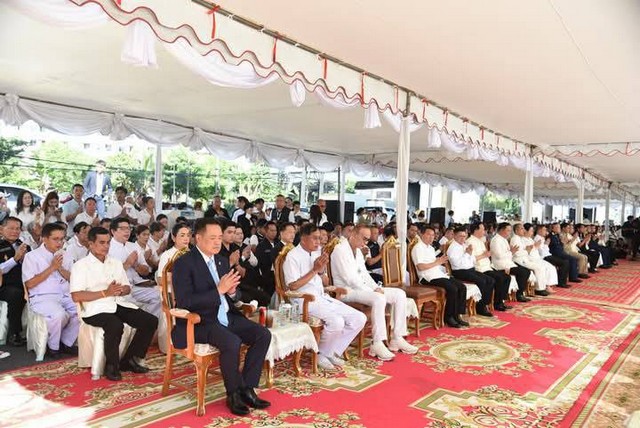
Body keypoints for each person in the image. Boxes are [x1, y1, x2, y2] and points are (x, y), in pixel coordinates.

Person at [172, 218, 272, 415]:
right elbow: (184, 301)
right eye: (212, 238)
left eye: (220, 237)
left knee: (263, 334)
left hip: (226, 315)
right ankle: (233, 394)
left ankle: (247, 388)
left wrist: (233, 293)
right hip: (200, 321)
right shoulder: (184, 263)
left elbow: (234, 295)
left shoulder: (221, 260)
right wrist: (218, 290)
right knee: (232, 342)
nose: (218, 242)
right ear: (198, 238)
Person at [70, 227, 158, 381]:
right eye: (101, 243)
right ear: (91, 244)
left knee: (150, 320)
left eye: (108, 242)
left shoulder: (115, 263)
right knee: (115, 325)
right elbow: (76, 295)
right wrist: (105, 293)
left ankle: (130, 359)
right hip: (93, 308)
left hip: (117, 302)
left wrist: (122, 290)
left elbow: (127, 288)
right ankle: (111, 365)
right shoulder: (81, 265)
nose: (106, 246)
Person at [284, 223, 366, 370]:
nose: (319, 242)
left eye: (320, 238)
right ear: (303, 239)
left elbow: (325, 281)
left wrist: (321, 271)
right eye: (315, 238)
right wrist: (315, 270)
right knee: (337, 321)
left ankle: (332, 351)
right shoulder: (292, 257)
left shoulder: (317, 252)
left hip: (322, 297)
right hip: (303, 300)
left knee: (359, 318)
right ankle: (322, 354)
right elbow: (293, 286)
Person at [331, 224, 418, 360]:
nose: (365, 243)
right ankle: (377, 343)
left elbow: (365, 274)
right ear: (353, 235)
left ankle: (397, 337)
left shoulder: (359, 252)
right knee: (378, 298)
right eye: (363, 239)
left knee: (399, 294)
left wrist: (375, 288)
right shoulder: (339, 250)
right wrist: (373, 291)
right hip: (346, 291)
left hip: (363, 290)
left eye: (367, 239)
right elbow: (350, 279)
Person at [22, 223, 79, 358]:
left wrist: (60, 269)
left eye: (62, 239)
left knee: (83, 310)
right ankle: (53, 347)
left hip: (65, 294)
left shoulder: (67, 255)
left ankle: (66, 341)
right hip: (42, 297)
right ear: (44, 238)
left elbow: (74, 279)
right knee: (59, 315)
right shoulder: (32, 256)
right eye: (55, 239)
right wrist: (52, 267)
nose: (60, 243)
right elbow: (30, 283)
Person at [412, 224, 468, 327]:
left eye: (433, 235)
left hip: (437, 274)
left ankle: (457, 315)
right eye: (428, 235)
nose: (431, 237)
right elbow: (420, 267)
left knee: (461, 287)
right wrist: (437, 262)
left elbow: (435, 263)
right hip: (427, 277)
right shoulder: (417, 248)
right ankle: (448, 317)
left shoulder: (431, 248)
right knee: (452, 289)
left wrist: (440, 261)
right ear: (421, 234)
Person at [108, 218, 162, 320]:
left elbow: (146, 271)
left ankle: (150, 323)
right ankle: (144, 322)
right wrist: (127, 263)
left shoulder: (133, 246)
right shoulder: (107, 248)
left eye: (128, 228)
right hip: (119, 289)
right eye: (123, 228)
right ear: (113, 231)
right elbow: (108, 275)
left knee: (160, 296)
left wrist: (136, 266)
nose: (127, 231)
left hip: (136, 286)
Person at [447, 227, 494, 317]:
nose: (463, 238)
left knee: (490, 280)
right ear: (454, 236)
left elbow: (472, 260)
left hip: (470, 269)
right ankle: (480, 307)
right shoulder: (452, 248)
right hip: (460, 272)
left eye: (464, 236)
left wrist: (469, 254)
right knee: (482, 281)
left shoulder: (464, 245)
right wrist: (467, 254)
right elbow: (458, 264)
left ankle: (485, 303)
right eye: (460, 236)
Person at [465, 223, 511, 311]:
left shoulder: (481, 241)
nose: (484, 232)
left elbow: (486, 255)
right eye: (482, 230)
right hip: (479, 268)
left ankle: (500, 301)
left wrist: (487, 255)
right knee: (498, 279)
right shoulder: (469, 242)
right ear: (476, 230)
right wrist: (484, 255)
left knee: (506, 277)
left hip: (487, 266)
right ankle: (487, 304)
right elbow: (470, 259)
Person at [0, 217, 29, 346]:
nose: (15, 231)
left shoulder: (24, 245)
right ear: (1, 229)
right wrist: (16, 258)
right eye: (11, 228)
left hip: (24, 282)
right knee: (16, 294)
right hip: (4, 285)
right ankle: (14, 333)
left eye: (17, 228)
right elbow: (1, 269)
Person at [490, 223, 532, 303]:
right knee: (523, 272)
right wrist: (511, 252)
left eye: (510, 231)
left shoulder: (504, 239)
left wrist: (510, 252)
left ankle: (519, 293)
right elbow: (499, 256)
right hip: (500, 265)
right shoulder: (496, 240)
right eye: (508, 230)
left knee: (525, 271)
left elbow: (508, 254)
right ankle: (517, 295)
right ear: (502, 230)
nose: (509, 233)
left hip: (508, 263)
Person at [510, 223, 550, 296]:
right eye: (522, 229)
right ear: (516, 230)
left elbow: (525, 249)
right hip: (519, 260)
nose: (524, 230)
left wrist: (528, 249)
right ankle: (539, 289)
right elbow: (517, 253)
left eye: (523, 229)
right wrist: (527, 250)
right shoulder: (515, 239)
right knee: (538, 267)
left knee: (542, 266)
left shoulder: (519, 239)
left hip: (525, 258)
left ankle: (543, 287)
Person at [255, 221, 279, 296]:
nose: (274, 233)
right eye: (271, 230)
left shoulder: (279, 244)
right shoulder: (261, 246)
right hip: (268, 277)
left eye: (275, 230)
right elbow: (260, 263)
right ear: (266, 231)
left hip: (279, 275)